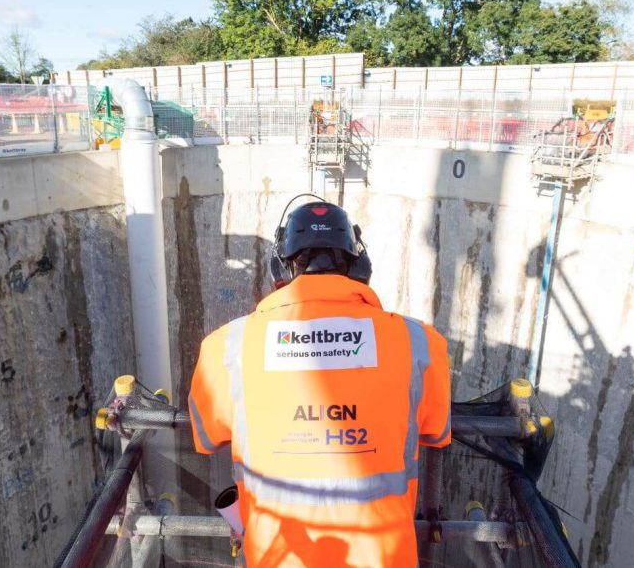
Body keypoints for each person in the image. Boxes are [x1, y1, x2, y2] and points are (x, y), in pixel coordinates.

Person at [188, 199, 452, 567]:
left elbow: (207, 436)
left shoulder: (226, 347)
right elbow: (436, 432)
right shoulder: (420, 344)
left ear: (278, 269)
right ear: (361, 268)